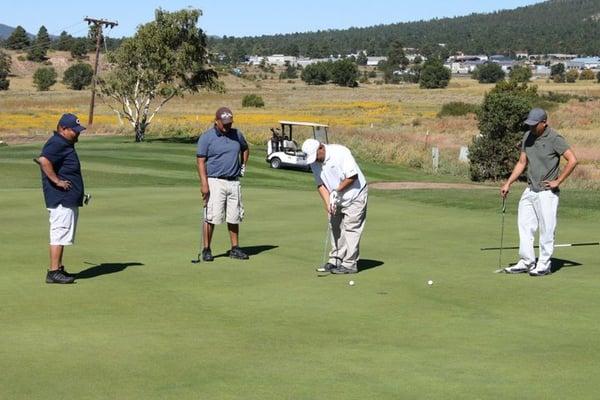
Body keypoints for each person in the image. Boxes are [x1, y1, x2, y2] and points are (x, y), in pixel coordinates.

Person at [501, 108, 578, 276]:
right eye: (530, 124)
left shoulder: (555, 139)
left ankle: (544, 264)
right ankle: (527, 261)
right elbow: (522, 163)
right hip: (530, 190)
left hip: (547, 192)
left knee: (546, 229)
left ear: (544, 123)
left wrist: (558, 181)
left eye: (535, 125)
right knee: (524, 226)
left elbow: (572, 160)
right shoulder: (527, 136)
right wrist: (508, 183)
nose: (531, 128)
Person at [302, 138, 368, 274]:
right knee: (335, 226)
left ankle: (350, 264)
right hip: (335, 197)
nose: (315, 160)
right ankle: (336, 259)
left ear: (321, 147)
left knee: (351, 228)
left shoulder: (340, 152)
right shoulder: (315, 161)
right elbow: (320, 184)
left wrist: (336, 191)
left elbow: (352, 176)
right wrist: (328, 203)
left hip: (355, 195)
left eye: (316, 157)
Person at [38, 113, 86, 284]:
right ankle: (53, 272)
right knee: (59, 233)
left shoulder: (64, 143)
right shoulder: (57, 142)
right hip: (61, 199)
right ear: (63, 129)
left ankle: (58, 268)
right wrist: (57, 181)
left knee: (63, 233)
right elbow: (44, 160)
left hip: (67, 199)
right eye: (75, 131)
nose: (78, 133)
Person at [196, 107, 250, 261]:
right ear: (216, 121)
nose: (227, 126)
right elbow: (200, 161)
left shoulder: (237, 134)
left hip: (234, 181)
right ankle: (207, 249)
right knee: (212, 216)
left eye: (229, 123)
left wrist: (243, 165)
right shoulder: (207, 137)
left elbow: (245, 149)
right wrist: (204, 183)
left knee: (234, 217)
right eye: (224, 123)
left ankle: (235, 248)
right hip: (215, 181)